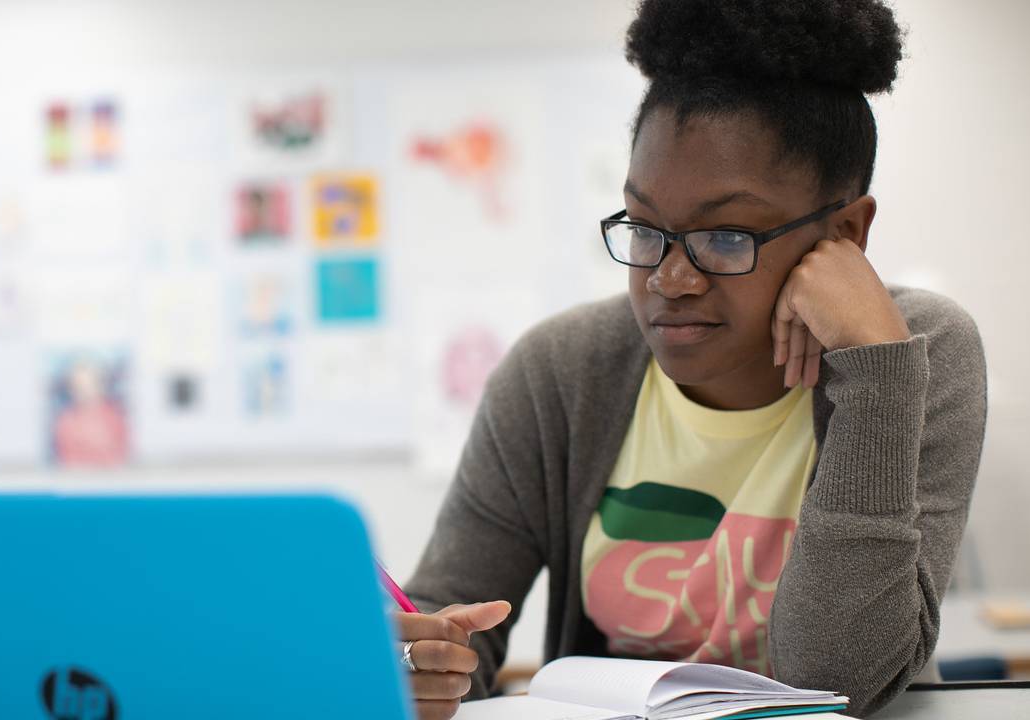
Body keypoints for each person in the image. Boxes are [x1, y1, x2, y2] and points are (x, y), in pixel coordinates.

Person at [398, 1, 988, 718]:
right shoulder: (561, 371)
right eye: (645, 228)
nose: (669, 280)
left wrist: (876, 375)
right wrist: (420, 660)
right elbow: (447, 622)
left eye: (727, 236)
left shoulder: (913, 356)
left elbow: (842, 680)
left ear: (843, 233)